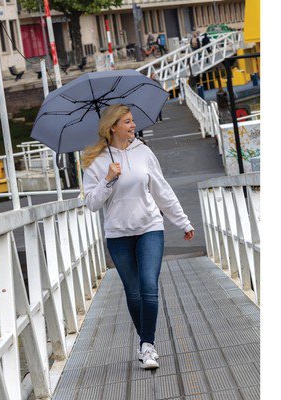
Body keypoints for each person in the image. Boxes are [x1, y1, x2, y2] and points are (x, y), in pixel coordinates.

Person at [82, 104, 195, 370]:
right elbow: (92, 203)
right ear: (113, 127)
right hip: (118, 234)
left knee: (148, 287)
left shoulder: (143, 152)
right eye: (127, 122)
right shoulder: (96, 161)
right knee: (133, 294)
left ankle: (147, 345)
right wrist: (108, 179)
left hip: (149, 227)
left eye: (132, 121)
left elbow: (162, 190)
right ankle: (146, 344)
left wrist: (183, 221)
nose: (133, 126)